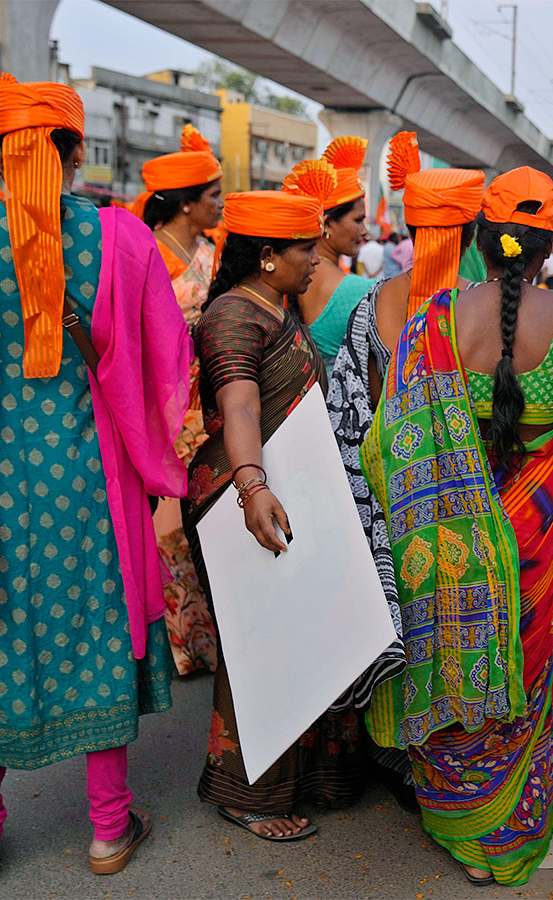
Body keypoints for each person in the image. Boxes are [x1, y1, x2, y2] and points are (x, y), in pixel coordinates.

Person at [361, 167, 553, 886]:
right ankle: (508, 831)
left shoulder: (435, 316)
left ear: (483, 242)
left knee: (451, 648)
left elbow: (389, 430)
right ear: (550, 246)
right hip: (533, 522)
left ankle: (462, 826)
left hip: (448, 527)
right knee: (522, 662)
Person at [0, 72, 191, 888]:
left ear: (1, 153)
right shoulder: (120, 240)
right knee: (98, 631)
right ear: (76, 152)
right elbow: (165, 368)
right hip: (90, 488)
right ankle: (108, 832)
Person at [183, 180, 362, 840]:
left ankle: (307, 777)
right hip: (239, 500)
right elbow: (239, 404)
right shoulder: (234, 315)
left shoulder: (277, 306)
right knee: (259, 643)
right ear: (266, 255)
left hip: (283, 492)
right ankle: (247, 790)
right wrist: (253, 487)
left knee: (301, 634)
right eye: (302, 249)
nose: (315, 259)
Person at [324, 131, 484, 809]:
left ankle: (393, 753)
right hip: (465, 503)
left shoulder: (374, 302)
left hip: (388, 494)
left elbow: (348, 407)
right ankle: (453, 774)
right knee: (457, 626)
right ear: (475, 227)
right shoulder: (487, 308)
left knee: (404, 620)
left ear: (411, 227)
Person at [134, 124, 225, 675]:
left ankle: (218, 634)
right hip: (165, 402)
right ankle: (183, 642)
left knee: (213, 517)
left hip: (212, 391)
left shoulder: (215, 251)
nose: (220, 204)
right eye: (213, 196)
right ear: (188, 203)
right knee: (168, 526)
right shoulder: (147, 253)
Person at [286, 136, 374, 364]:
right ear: (326, 223)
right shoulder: (358, 290)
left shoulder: (288, 276)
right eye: (358, 220)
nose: (365, 232)